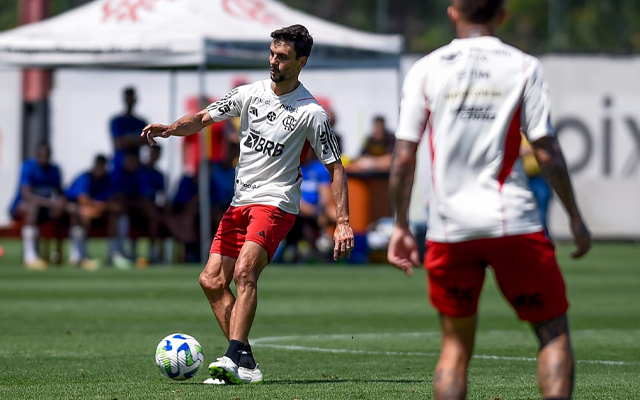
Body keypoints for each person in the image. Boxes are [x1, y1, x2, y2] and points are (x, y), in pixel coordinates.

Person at [386, 2, 592, 400]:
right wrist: (576, 219)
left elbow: (403, 158)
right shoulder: (523, 66)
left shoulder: (426, 68)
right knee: (553, 334)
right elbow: (546, 151)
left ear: (452, 13)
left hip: (449, 229)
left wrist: (400, 226)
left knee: (454, 348)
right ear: (501, 15)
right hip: (514, 222)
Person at [141, 24, 354, 385]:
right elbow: (203, 118)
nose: (274, 61)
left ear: (301, 62)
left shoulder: (311, 113)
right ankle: (245, 361)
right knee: (210, 280)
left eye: (283, 57)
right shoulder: (249, 94)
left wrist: (343, 220)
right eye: (272, 53)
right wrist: (171, 129)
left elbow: (336, 167)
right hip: (240, 202)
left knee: (244, 273)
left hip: (276, 203)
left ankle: (231, 357)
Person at [9, 142, 66, 270]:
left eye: (47, 155)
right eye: (42, 155)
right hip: (22, 208)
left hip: (46, 210)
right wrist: (51, 203)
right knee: (32, 208)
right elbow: (26, 195)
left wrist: (60, 202)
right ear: (37, 154)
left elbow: (59, 192)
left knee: (68, 211)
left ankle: (57, 256)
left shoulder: (54, 170)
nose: (44, 158)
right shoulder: (28, 167)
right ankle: (30, 256)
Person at [65, 154, 115, 270]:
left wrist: (101, 208)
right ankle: (77, 255)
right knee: (83, 213)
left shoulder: (107, 179)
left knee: (114, 213)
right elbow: (82, 199)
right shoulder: (85, 178)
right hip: (70, 207)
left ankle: (114, 255)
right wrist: (100, 207)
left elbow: (112, 200)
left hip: (96, 211)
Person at [109, 87, 148, 172]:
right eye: (128, 98)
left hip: (137, 168)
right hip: (119, 167)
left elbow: (147, 141)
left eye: (132, 98)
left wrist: (127, 139)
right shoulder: (117, 121)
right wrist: (136, 140)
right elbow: (118, 143)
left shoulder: (141, 122)